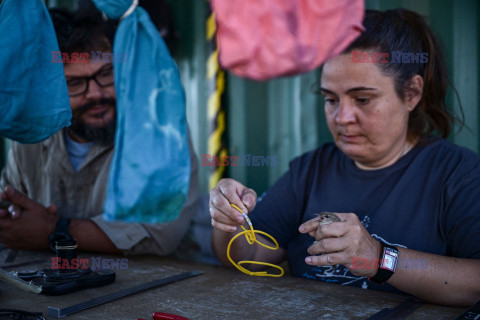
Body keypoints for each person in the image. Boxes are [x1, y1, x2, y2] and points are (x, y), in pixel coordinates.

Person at [209, 9, 480, 307]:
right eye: (331, 99)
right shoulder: (309, 171)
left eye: (362, 99)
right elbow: (247, 258)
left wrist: (378, 258)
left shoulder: (458, 174)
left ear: (412, 94)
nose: (343, 117)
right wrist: (229, 221)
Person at [0, 11, 199, 257]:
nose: (95, 93)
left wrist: (54, 229)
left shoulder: (157, 131)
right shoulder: (30, 139)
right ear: (50, 91)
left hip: (161, 288)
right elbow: (11, 219)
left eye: (106, 74)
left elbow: (159, 235)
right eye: (74, 83)